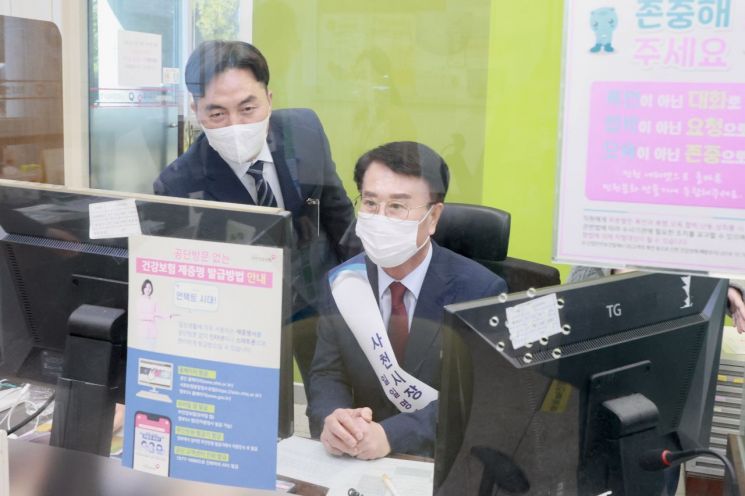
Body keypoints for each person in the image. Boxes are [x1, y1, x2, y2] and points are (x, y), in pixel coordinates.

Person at [153, 41, 358, 380]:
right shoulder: (178, 185)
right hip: (242, 321)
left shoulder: (304, 131)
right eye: (217, 113)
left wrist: (363, 287)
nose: (235, 125)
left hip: (317, 290)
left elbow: (338, 213)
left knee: (334, 403)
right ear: (196, 109)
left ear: (269, 98)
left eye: (248, 108)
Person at [307, 141, 508, 459]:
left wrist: (390, 436)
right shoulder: (345, 283)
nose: (380, 217)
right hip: (354, 460)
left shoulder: (480, 291)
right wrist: (335, 420)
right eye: (371, 203)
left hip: (438, 462)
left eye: (397, 207)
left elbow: (479, 397)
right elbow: (327, 374)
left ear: (432, 217)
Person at [568, 267, 745, 334]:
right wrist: (614, 272)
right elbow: (570, 306)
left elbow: (714, 264)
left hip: (679, 344)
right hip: (612, 345)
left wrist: (728, 287)